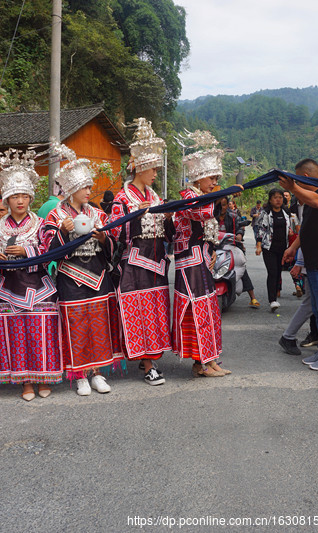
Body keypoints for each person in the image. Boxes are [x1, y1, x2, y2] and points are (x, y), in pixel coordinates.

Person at [44, 144, 123, 395]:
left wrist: (102, 239)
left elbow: (114, 243)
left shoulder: (99, 214)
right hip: (70, 278)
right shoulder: (56, 217)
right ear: (70, 190)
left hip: (99, 276)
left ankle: (98, 372)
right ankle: (79, 375)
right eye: (84, 188)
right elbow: (48, 249)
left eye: (90, 187)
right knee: (76, 327)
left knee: (99, 326)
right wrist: (64, 232)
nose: (89, 191)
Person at [0, 148, 61, 401]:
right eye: (14, 196)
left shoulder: (41, 224)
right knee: (16, 336)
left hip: (38, 287)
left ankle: (43, 378)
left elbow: (52, 249)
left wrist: (27, 250)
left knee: (40, 334)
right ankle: (25, 383)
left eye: (24, 196)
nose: (20, 201)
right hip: (8, 288)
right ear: (6, 200)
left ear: (30, 198)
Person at [109, 118, 174, 385]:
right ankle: (147, 362)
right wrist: (138, 214)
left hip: (157, 265)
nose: (156, 174)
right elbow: (115, 234)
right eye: (154, 170)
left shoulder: (156, 198)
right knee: (139, 313)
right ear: (142, 167)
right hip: (135, 265)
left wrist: (167, 218)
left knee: (155, 313)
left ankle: (151, 357)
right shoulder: (122, 199)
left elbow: (166, 234)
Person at [173, 130, 235, 377]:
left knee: (208, 309)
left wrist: (210, 251)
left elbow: (209, 231)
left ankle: (209, 360)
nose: (214, 182)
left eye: (216, 178)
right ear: (198, 178)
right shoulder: (189, 196)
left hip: (202, 259)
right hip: (189, 261)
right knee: (198, 310)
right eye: (211, 177)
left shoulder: (204, 197)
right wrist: (217, 196)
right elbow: (202, 214)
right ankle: (202, 362)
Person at [280, 159, 318, 371]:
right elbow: (306, 229)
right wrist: (293, 248)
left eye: (298, 180)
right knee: (317, 308)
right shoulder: (306, 200)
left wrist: (293, 187)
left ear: (304, 177)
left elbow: (317, 202)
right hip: (313, 263)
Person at [216, 195, 260, 307]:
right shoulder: (211, 217)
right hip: (214, 248)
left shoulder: (233, 216)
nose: (222, 207)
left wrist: (239, 234)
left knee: (242, 269)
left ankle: (252, 297)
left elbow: (239, 227)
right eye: (219, 205)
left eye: (224, 205)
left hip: (232, 246)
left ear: (228, 205)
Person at [255, 189, 293, 311]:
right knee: (272, 272)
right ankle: (272, 300)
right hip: (269, 247)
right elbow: (261, 230)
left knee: (278, 273)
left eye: (280, 197)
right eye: (275, 197)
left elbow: (289, 225)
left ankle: (275, 294)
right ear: (270, 200)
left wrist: (290, 231)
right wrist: (259, 246)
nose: (278, 200)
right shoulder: (266, 213)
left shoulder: (286, 211)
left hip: (283, 247)